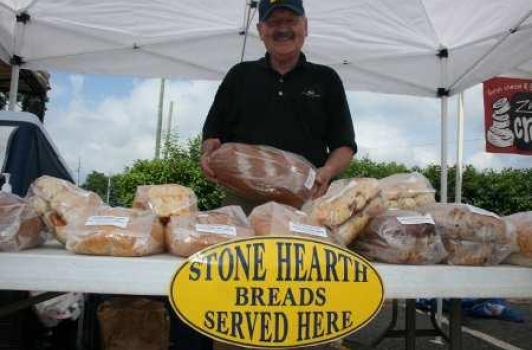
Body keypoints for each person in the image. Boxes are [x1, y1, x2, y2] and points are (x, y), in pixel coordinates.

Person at [201, 0, 357, 212]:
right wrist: (208, 153)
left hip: (305, 202)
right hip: (243, 204)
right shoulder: (240, 75)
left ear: (305, 26)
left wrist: (328, 171)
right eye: (274, 22)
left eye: (291, 20)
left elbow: (344, 144)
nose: (283, 28)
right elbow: (212, 134)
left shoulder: (326, 79)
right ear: (260, 30)